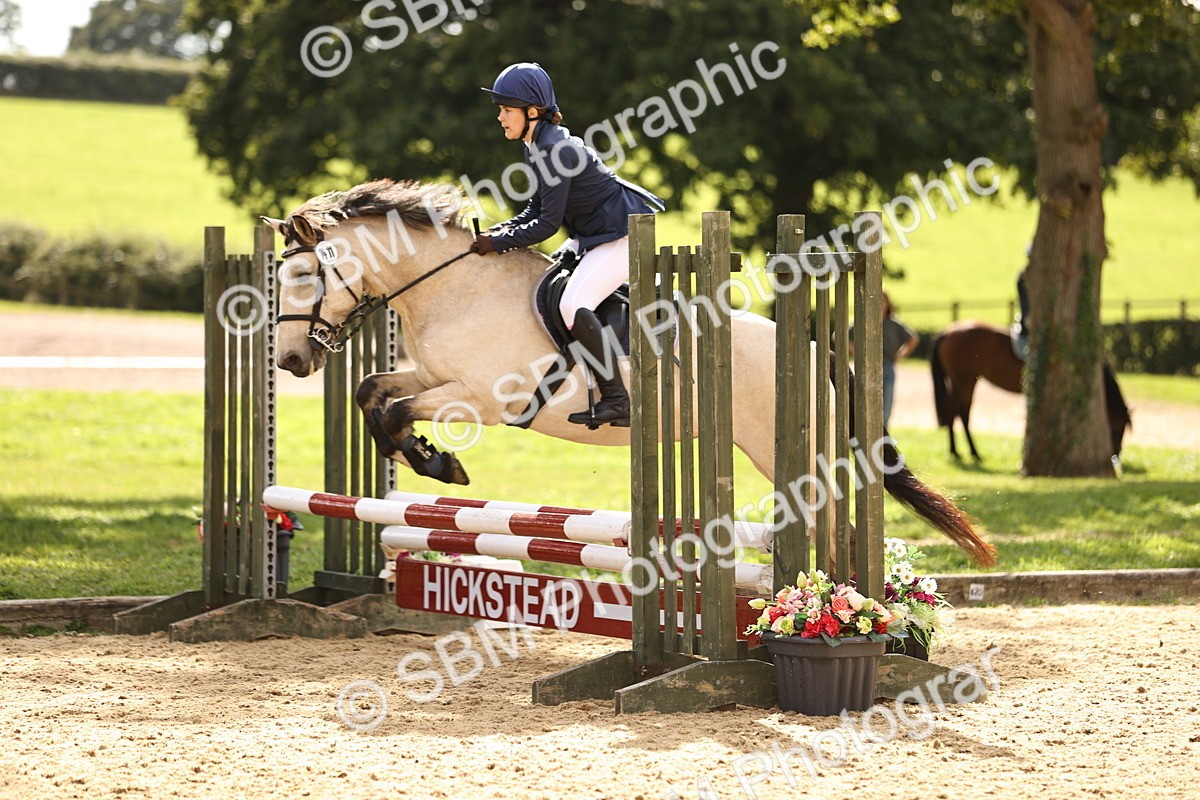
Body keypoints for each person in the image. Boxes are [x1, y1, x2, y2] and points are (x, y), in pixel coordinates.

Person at [471, 63, 664, 428]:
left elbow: (546, 225)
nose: (499, 117)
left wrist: (496, 242)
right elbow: (536, 208)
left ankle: (618, 399)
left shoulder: (554, 149)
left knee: (573, 304)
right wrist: (497, 232)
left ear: (532, 112)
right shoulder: (538, 144)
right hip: (595, 237)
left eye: (505, 110)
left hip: (620, 238)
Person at [879, 292, 919, 427]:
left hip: (889, 366)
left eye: (883, 300)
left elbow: (913, 338)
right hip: (868, 368)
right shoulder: (864, 320)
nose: (880, 303)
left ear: (887, 303)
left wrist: (900, 354)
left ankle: (883, 438)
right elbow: (838, 335)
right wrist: (856, 350)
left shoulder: (894, 323)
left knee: (887, 406)